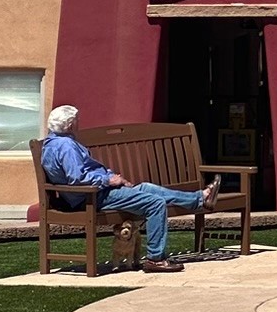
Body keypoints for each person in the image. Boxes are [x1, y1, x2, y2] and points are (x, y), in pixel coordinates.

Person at [40, 105, 217, 274]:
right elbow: (77, 178)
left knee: (146, 187)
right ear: (70, 125)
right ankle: (155, 259)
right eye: (77, 120)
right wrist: (109, 180)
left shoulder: (51, 144)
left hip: (96, 192)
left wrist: (114, 179)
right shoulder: (66, 146)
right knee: (155, 204)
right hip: (93, 196)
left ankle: (201, 199)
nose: (79, 123)